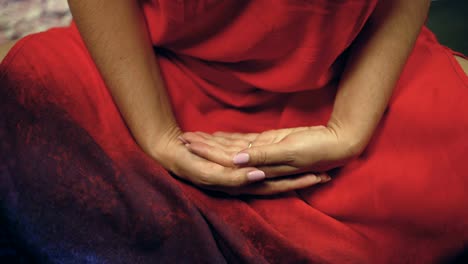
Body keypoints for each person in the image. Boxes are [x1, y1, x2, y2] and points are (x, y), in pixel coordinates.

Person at [1, 0, 467, 262]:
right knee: (32, 95)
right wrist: (158, 135)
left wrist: (348, 131)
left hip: (340, 80)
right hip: (155, 75)